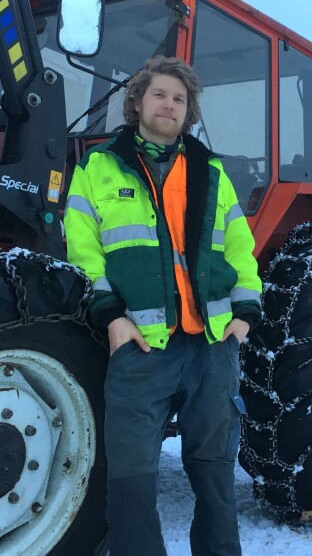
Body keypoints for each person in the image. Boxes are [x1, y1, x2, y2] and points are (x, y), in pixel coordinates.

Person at [64, 55, 262, 556]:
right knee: (130, 478)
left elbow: (238, 247)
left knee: (215, 473)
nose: (169, 104)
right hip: (141, 346)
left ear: (189, 110)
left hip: (213, 345)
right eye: (159, 94)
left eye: (179, 98)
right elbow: (82, 251)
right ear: (137, 102)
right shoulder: (99, 167)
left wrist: (244, 315)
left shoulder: (210, 171)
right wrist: (110, 317)